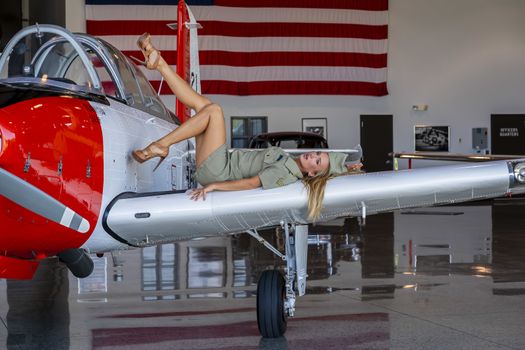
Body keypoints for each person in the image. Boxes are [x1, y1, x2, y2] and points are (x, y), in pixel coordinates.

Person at [131, 33, 361, 220]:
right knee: (204, 105)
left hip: (219, 170)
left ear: (311, 173)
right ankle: (159, 64)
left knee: (214, 110)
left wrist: (214, 188)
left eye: (317, 161)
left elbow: (251, 184)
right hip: (219, 163)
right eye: (318, 154)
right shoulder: (288, 163)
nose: (313, 155)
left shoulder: (286, 175)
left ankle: (160, 146)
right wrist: (350, 167)